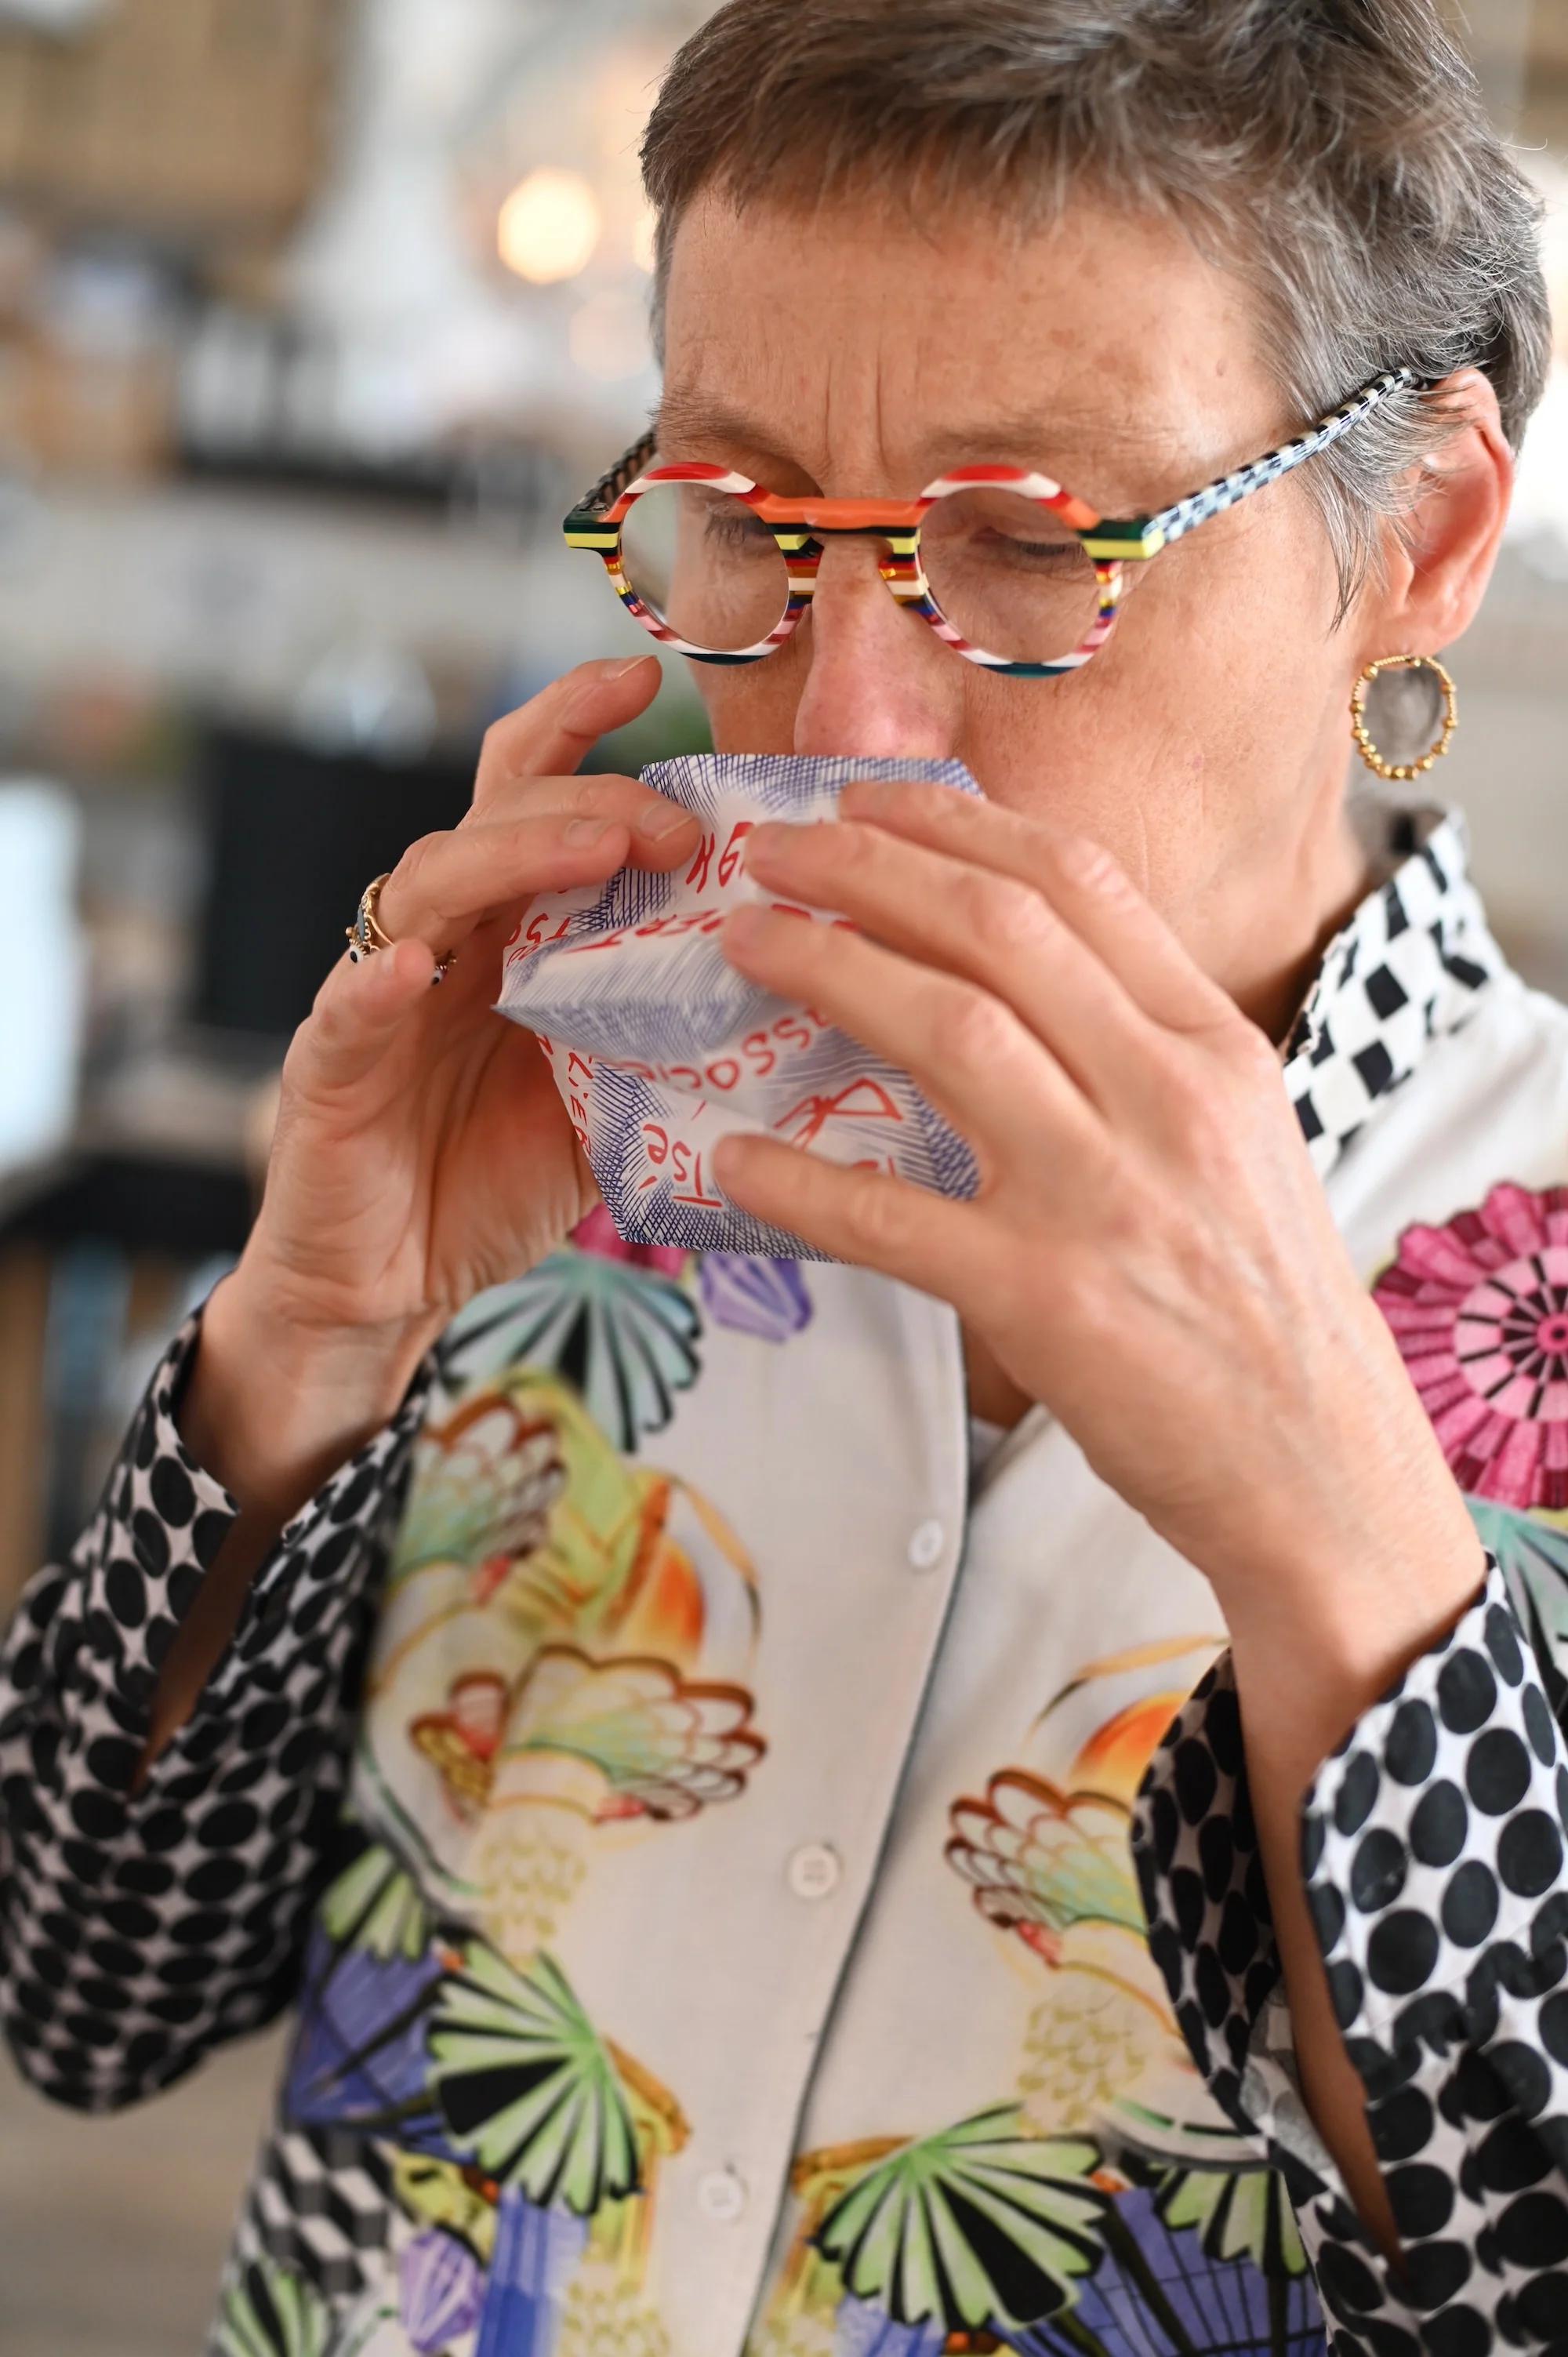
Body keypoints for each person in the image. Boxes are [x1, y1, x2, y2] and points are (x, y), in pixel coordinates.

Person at [3, 2, 1565, 2350]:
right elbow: (80, 1997)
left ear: (1424, 534)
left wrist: (1335, 1547)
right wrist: (302, 1348)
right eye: (743, 524)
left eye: (1034, 553)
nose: (843, 725)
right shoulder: (562, 1128)